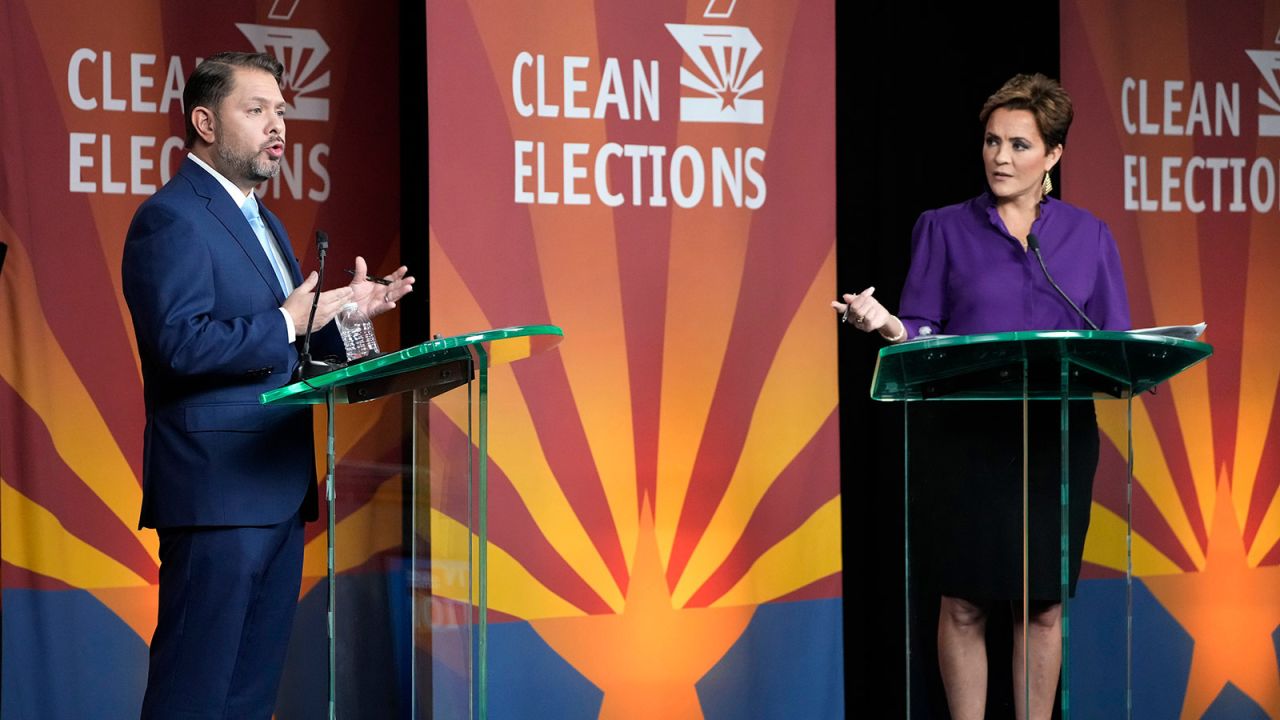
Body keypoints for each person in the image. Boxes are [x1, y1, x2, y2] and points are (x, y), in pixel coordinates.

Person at [122, 51, 413, 719]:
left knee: (249, 699)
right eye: (255, 111)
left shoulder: (267, 223)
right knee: (193, 696)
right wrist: (286, 318)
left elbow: (290, 346)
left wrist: (348, 321)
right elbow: (180, 345)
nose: (277, 126)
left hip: (279, 491)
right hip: (217, 494)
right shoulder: (171, 218)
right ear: (204, 121)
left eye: (280, 111)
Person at [834, 73, 1130, 720]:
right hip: (965, 440)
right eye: (992, 141)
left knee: (1043, 602)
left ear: (1053, 155)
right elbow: (920, 326)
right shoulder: (942, 228)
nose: (1001, 157)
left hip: (1055, 440)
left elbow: (1114, 344)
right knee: (964, 601)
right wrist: (885, 326)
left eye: (1020, 145)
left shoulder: (1090, 237)